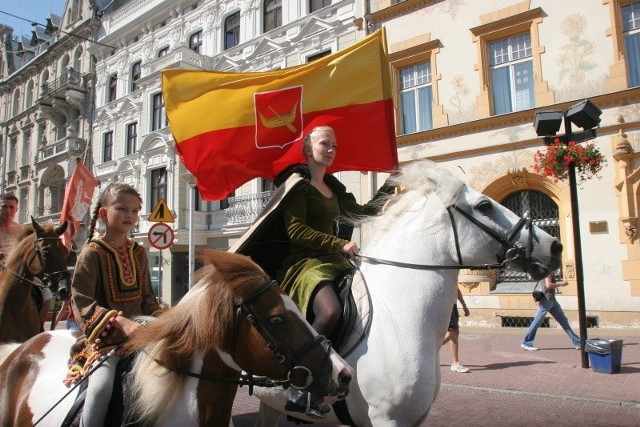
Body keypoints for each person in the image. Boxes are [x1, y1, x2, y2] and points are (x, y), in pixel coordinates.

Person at [277, 125, 395, 418]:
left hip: (335, 261)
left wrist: (391, 183)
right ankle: (298, 386)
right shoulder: (297, 186)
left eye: (334, 145)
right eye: (324, 144)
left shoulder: (336, 189)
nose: (330, 150)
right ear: (308, 149)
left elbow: (363, 212)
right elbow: (296, 231)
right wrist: (338, 243)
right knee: (330, 312)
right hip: (306, 264)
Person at [70, 183, 165, 426]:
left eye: (135, 210)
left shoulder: (139, 252)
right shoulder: (91, 252)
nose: (130, 216)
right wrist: (120, 321)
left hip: (143, 332)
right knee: (101, 388)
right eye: (122, 209)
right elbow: (82, 300)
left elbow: (147, 297)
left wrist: (163, 317)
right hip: (106, 338)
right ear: (103, 213)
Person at [521, 273, 581, 351]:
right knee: (536, 322)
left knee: (564, 321)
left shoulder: (549, 271)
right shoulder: (548, 271)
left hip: (552, 300)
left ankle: (577, 342)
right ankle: (526, 343)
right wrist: (561, 284)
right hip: (546, 300)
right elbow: (548, 285)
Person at [442, 287, 470, 373]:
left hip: (452, 305)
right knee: (452, 331)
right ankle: (432, 349)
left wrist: (464, 306)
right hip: (445, 304)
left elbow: (456, 289)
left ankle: (455, 363)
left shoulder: (452, 275)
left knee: (455, 332)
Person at [0, 194, 21, 258]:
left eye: (11, 207)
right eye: (4, 207)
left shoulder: (20, 231)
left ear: (16, 210)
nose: (8, 210)